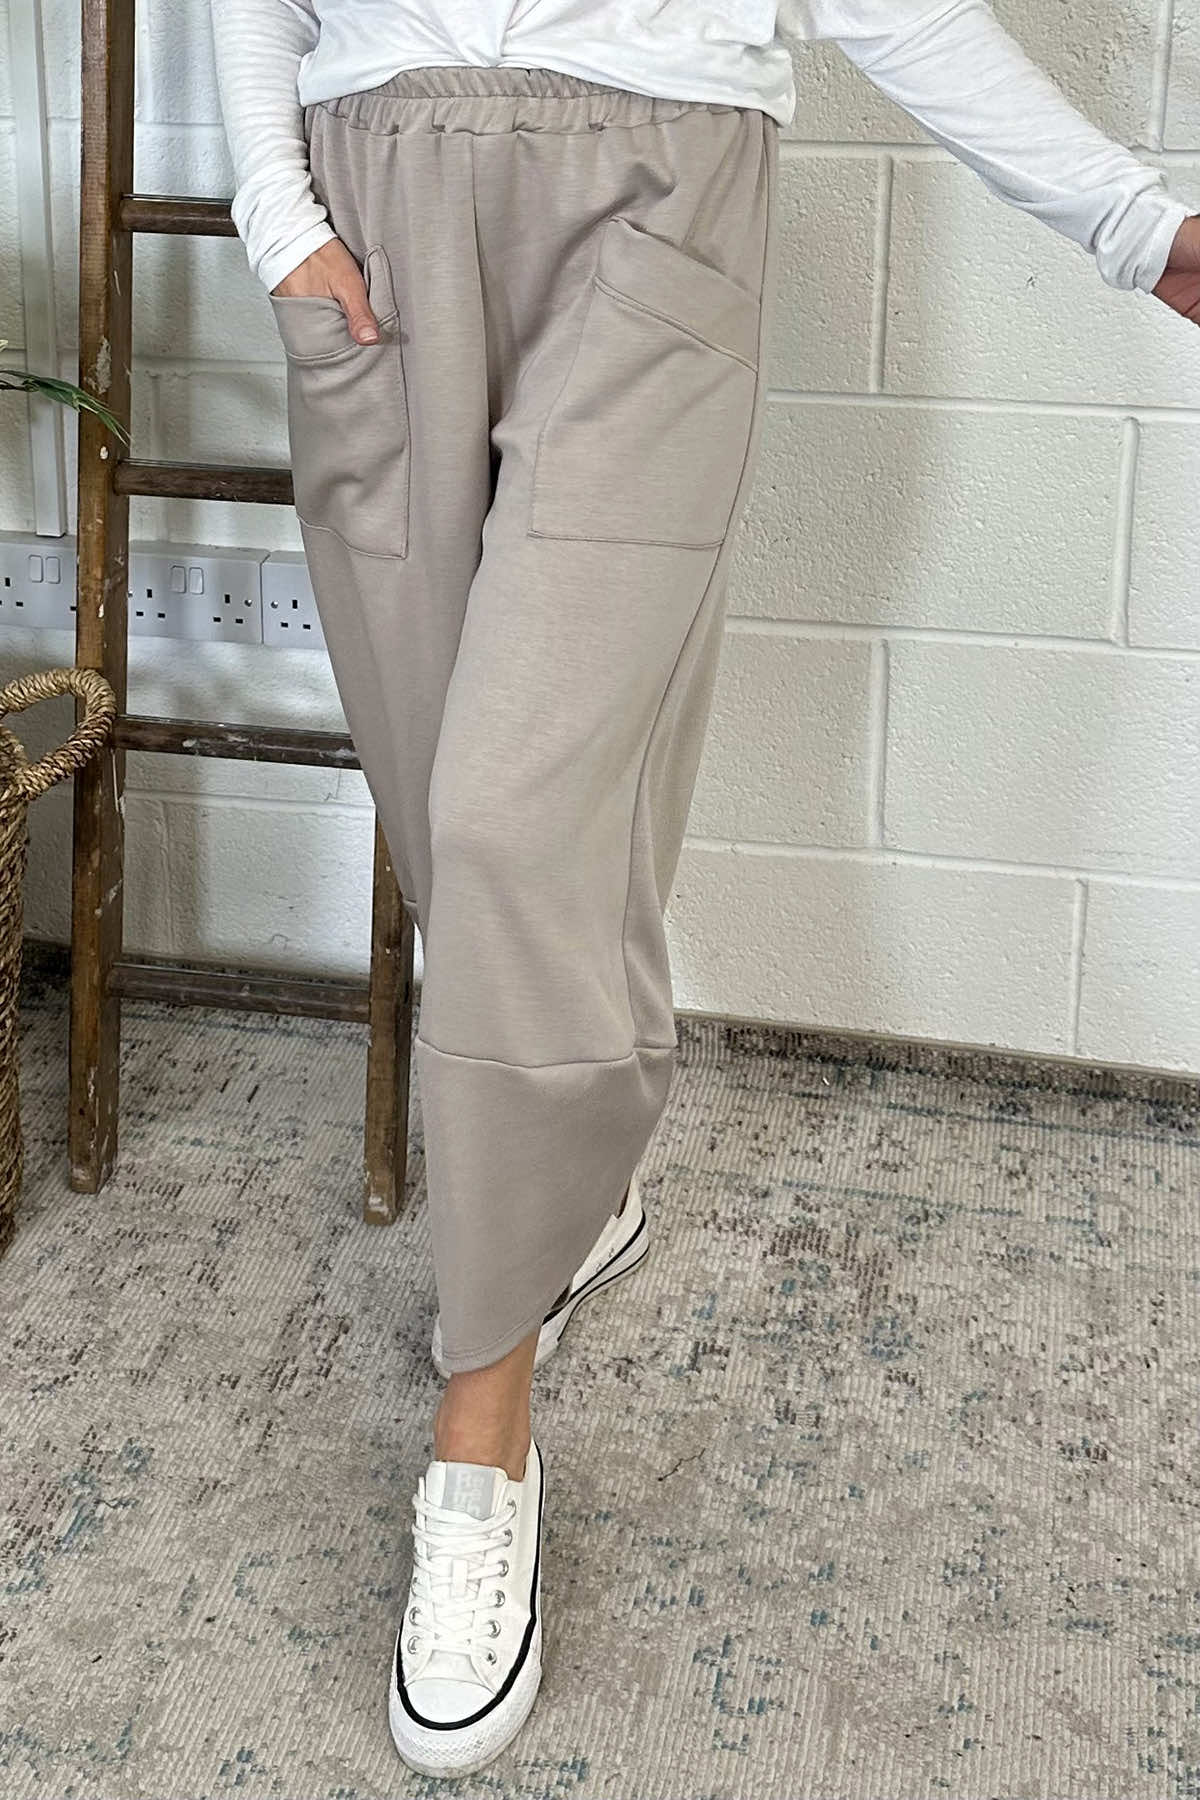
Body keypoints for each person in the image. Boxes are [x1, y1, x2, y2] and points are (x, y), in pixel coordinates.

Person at [209, 0, 1199, 1777]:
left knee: (512, 818)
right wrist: (279, 218)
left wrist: (1135, 222)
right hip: (369, 211)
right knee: (453, 819)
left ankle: (481, 1434)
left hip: (654, 203)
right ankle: (576, 1196)